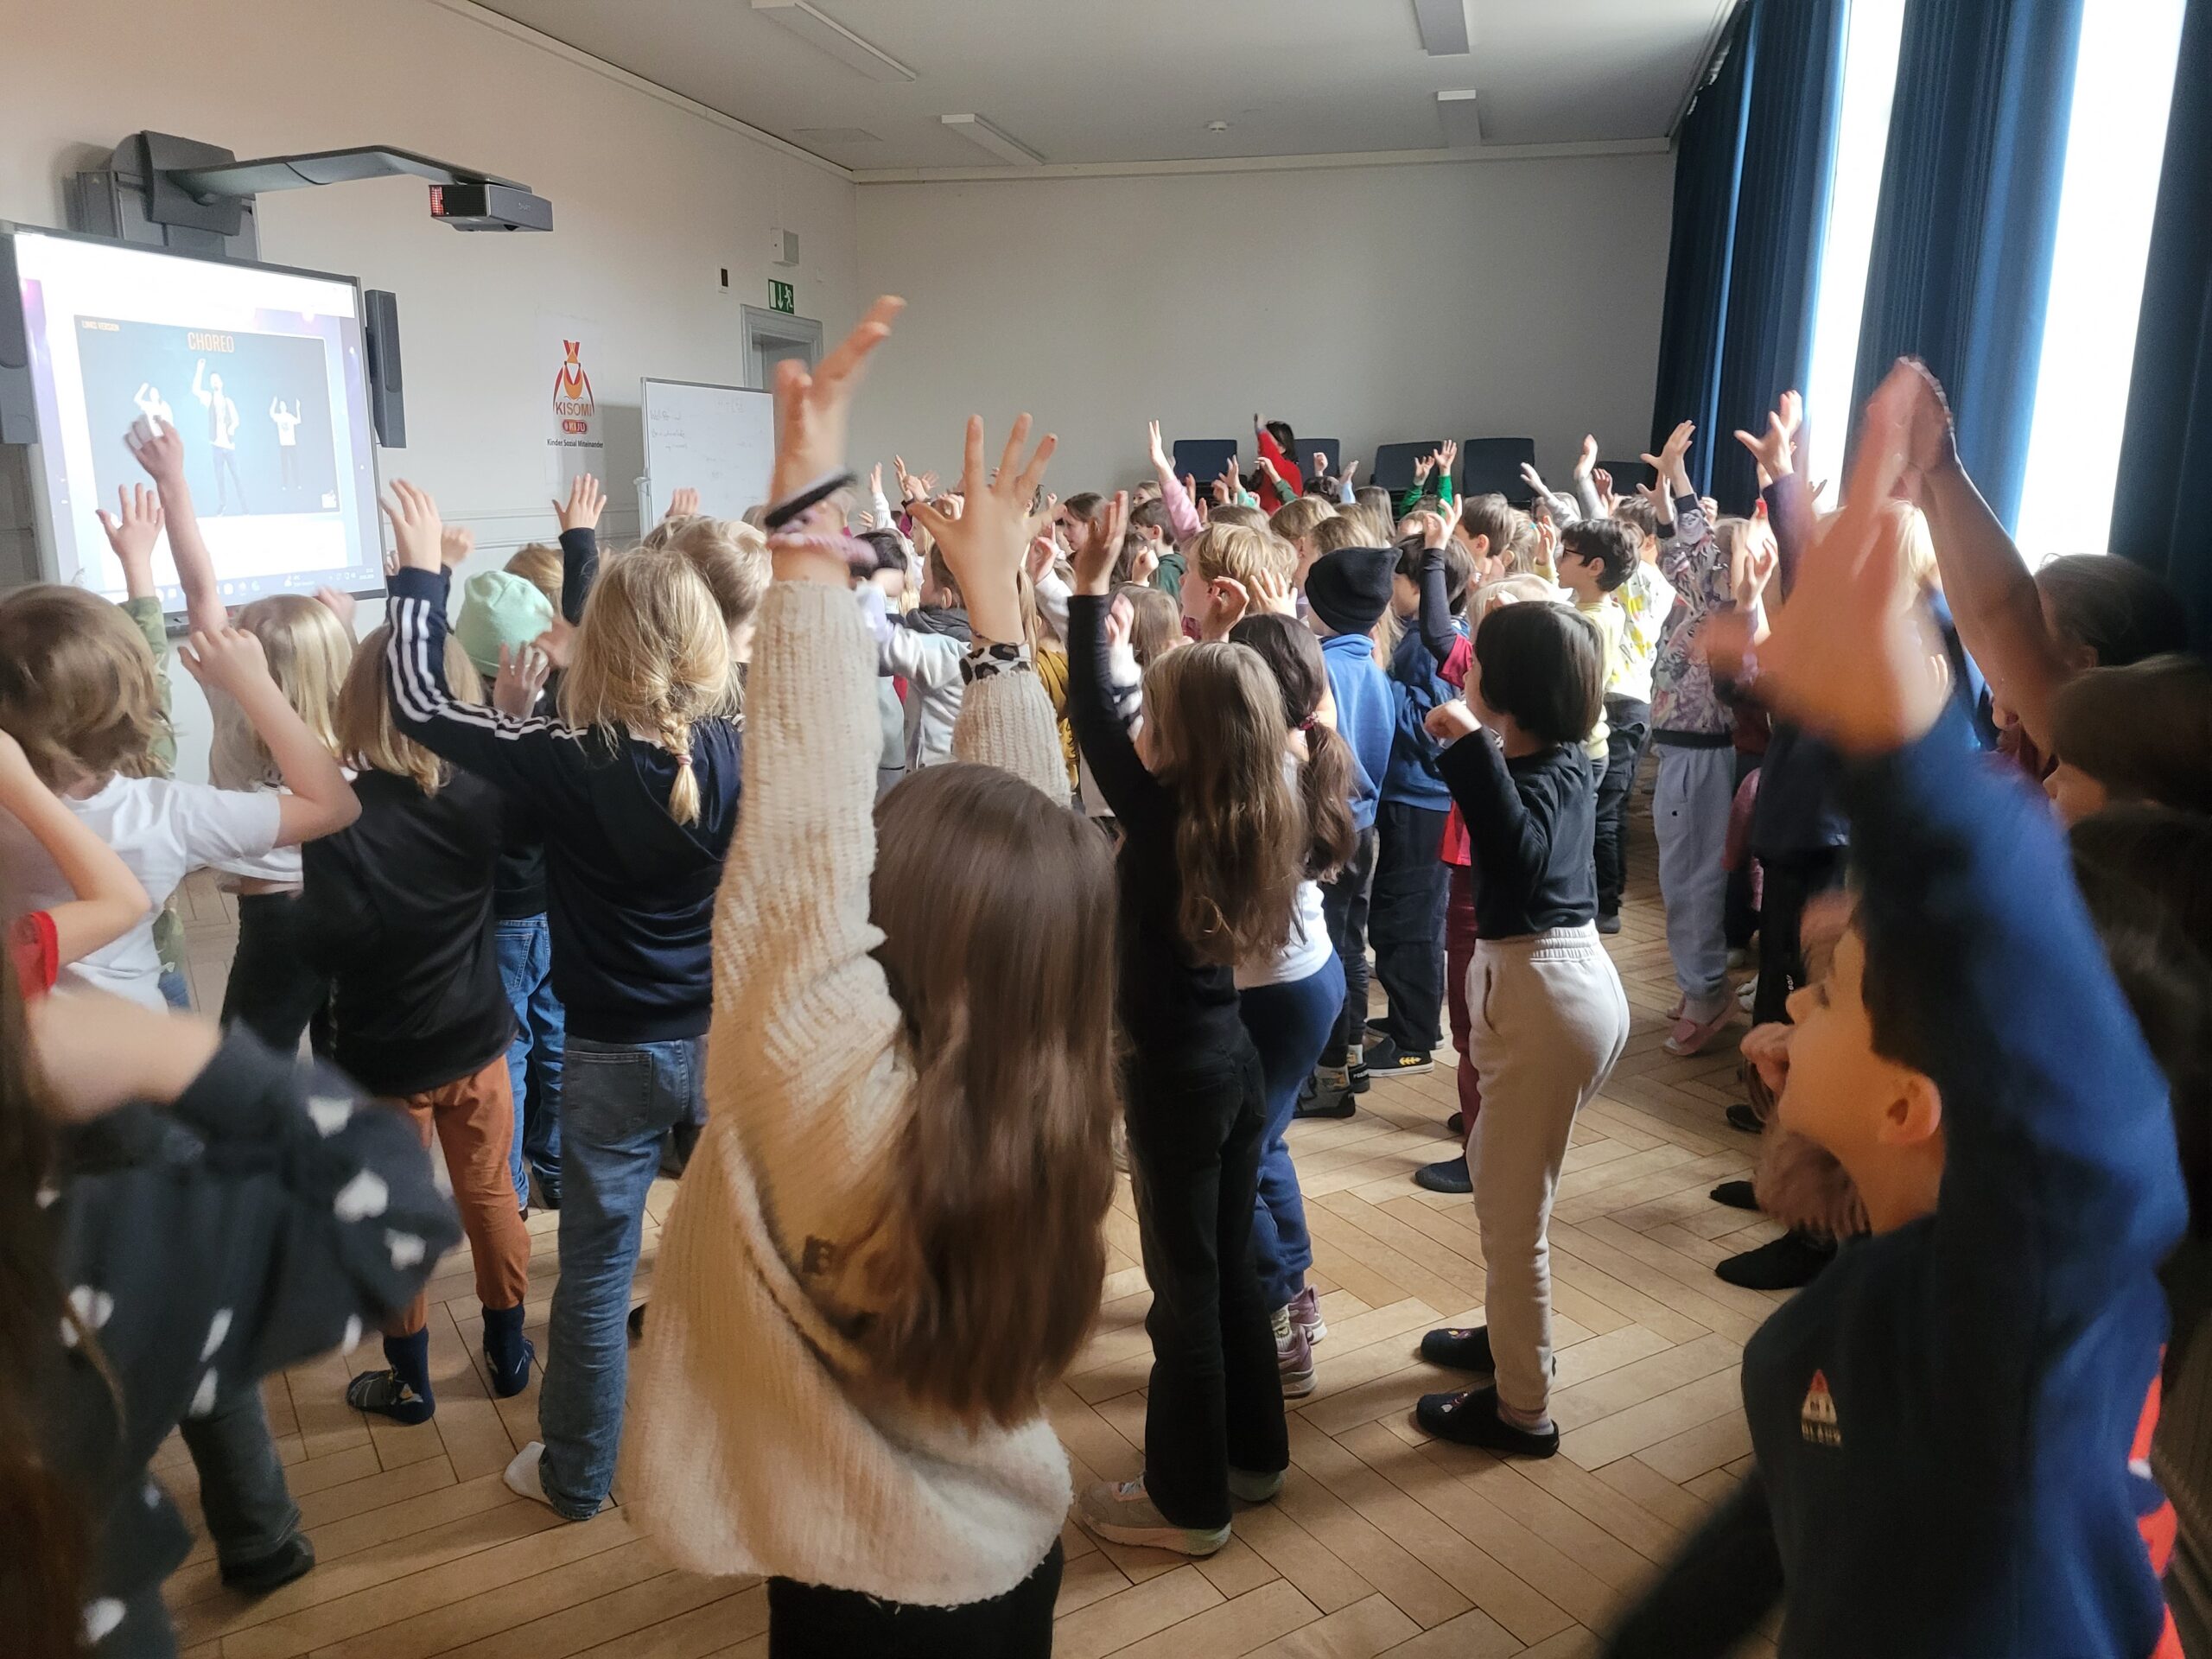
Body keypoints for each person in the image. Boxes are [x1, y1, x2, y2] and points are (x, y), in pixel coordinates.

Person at [1605, 363, 2190, 1659]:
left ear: (1915, 1103)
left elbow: (2086, 1137)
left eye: (1828, 996)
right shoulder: (1868, 1309)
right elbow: (1773, 1535)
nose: (1786, 1012)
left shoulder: (2032, 1309)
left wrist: (1899, 757)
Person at [626, 306, 1116, 1659]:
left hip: (863, 1604)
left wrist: (807, 532)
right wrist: (998, 618)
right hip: (1010, 1558)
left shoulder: (834, 1108)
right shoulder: (1056, 1087)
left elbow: (803, 830)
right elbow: (1035, 871)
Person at [380, 480, 742, 1524]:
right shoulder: (734, 740)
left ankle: (578, 1476)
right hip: (719, 1046)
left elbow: (418, 705)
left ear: (597, 648)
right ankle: (735, 1452)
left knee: (592, 1278)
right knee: (731, 1255)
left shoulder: (570, 758)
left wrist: (420, 578)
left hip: (612, 1058)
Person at [1, 957, 454, 1659]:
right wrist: (160, 1047)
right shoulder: (71, 1273)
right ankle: (262, 1531)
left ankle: (266, 1525)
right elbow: (400, 1213)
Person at [1068, 489, 1300, 1557]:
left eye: (1151, 719)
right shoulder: (1250, 801)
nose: (1136, 732)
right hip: (1230, 1065)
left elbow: (1089, 713)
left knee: (1184, 1297)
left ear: (1180, 741)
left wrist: (1087, 593)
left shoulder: (1164, 817)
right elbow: (1168, 706)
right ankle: (1255, 1457)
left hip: (1177, 1080)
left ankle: (1187, 1503)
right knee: (1227, 1275)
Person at [1409, 601, 1630, 1452]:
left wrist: (1472, 745)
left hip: (1546, 998)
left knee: (1512, 1220)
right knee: (1500, 1180)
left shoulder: (1535, 775)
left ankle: (1522, 1410)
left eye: (1476, 664)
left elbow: (1518, 852)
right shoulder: (1562, 761)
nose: (1464, 670)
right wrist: (1480, 746)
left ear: (1506, 690)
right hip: (1561, 991)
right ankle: (1508, 1340)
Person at [300, 627, 534, 1424]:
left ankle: (409, 1380)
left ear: (356, 703)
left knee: (394, 1213)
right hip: (477, 1043)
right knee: (490, 1192)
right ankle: (509, 1354)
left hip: (383, 1060)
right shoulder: (481, 795)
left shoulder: (339, 818)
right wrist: (508, 725)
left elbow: (325, 945)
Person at [1224, 610, 1355, 1396]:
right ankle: (1296, 1293)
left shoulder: (1262, 774)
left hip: (1275, 998)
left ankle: (1276, 1318)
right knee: (1264, 1142)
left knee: (1233, 1160)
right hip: (1308, 984)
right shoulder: (1305, 745)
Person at [458, 570, 567, 1211]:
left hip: (505, 915)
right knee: (556, 1036)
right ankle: (557, 1167)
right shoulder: (562, 718)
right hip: (558, 906)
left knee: (511, 1051)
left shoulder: (473, 733)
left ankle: (512, 1189)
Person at [1644, 421, 1739, 1056]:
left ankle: (1707, 992)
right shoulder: (1695, 603)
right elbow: (1680, 558)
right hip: (1683, 752)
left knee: (1693, 881)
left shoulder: (1725, 608)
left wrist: (1678, 478)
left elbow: (1699, 556)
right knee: (1681, 876)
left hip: (1702, 757)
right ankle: (1700, 982)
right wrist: (1663, 504)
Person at [1363, 514, 1465, 1076]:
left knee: (1411, 921)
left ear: (1421, 586)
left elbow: (1432, 728)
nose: (1389, 592)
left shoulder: (1431, 647)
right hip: (1411, 796)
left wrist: (1380, 680)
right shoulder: (1423, 640)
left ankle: (1414, 1038)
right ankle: (1409, 1016)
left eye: (1396, 580)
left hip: (1424, 800)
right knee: (1398, 915)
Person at [1303, 543, 1396, 1107]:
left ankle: (1331, 1074)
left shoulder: (1323, 670)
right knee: (1352, 945)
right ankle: (1352, 1056)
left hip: (1329, 826)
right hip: (1364, 828)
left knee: (1329, 949)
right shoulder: (1373, 667)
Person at [192, 359, 245, 514]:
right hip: (216, 445)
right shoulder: (209, 398)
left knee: (237, 477)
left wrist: (232, 427)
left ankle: (245, 507)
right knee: (220, 478)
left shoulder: (228, 401)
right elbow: (195, 390)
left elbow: (236, 419)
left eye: (217, 379)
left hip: (230, 446)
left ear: (221, 382)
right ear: (211, 384)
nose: (215, 381)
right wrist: (200, 369)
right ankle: (223, 505)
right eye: (212, 380)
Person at [268, 397, 301, 493]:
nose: (283, 407)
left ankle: (297, 484)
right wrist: (274, 403)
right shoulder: (279, 417)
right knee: (285, 465)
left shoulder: (289, 416)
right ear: (280, 407)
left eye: (284, 405)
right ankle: (285, 484)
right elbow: (271, 414)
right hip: (283, 445)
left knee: (294, 464)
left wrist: (298, 408)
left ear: (286, 407)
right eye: (281, 405)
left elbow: (298, 421)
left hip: (292, 444)